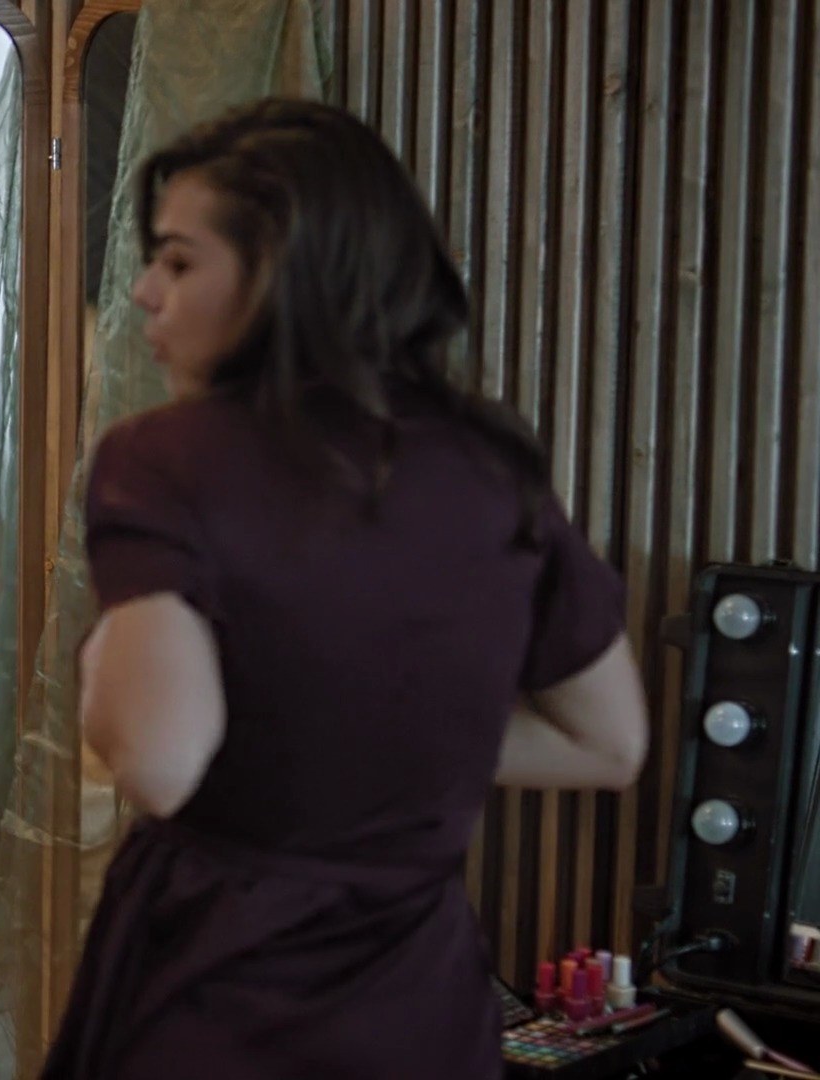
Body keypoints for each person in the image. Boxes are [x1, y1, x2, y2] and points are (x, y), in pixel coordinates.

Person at [43, 98, 649, 1079]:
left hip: (225, 982)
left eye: (179, 262)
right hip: (420, 998)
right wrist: (367, 743)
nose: (146, 292)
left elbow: (158, 762)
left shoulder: (164, 458)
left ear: (284, 271)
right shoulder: (494, 467)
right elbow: (608, 743)